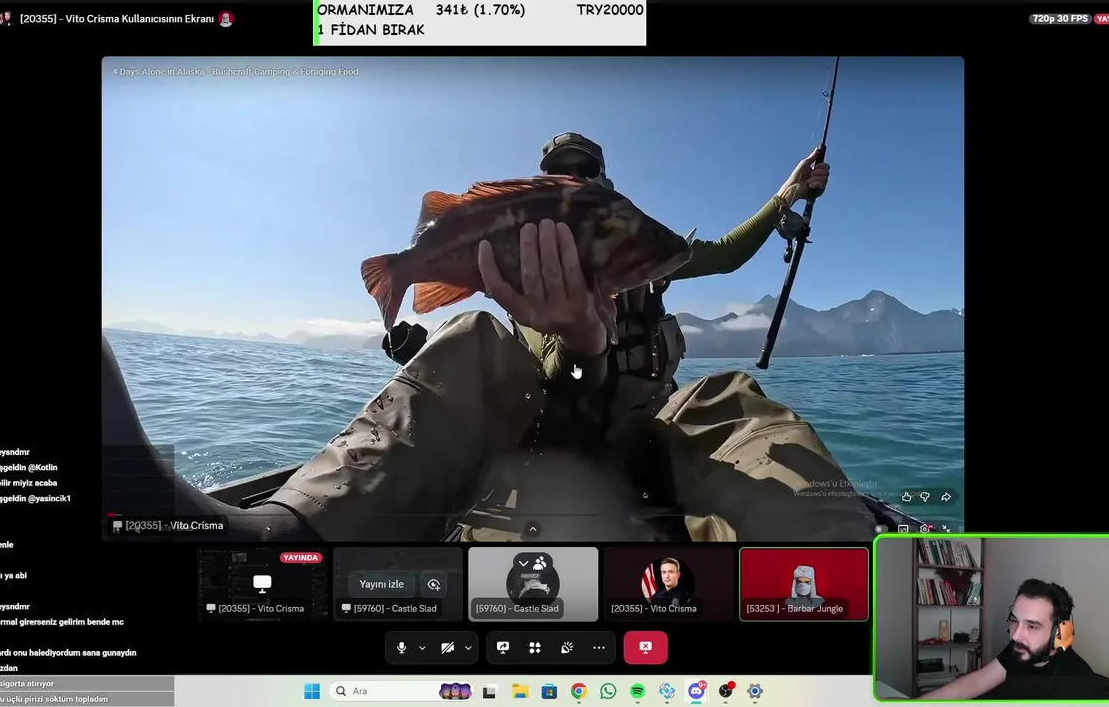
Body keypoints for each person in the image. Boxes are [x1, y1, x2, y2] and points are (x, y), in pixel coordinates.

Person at [99, 133, 877, 543]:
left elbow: (730, 251)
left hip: (648, 423)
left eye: (588, 178)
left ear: (608, 188)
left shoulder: (646, 247)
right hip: (546, 424)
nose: (576, 187)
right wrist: (566, 341)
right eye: (561, 176)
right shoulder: (516, 255)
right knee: (469, 335)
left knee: (728, 397)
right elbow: (481, 355)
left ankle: (832, 567)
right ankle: (283, 533)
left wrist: (787, 194)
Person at [920, 580, 1109, 700]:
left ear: (1060, 633)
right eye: (1015, 621)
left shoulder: (1075, 685)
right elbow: (976, 682)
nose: (1015, 635)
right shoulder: (1021, 650)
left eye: (1032, 626)